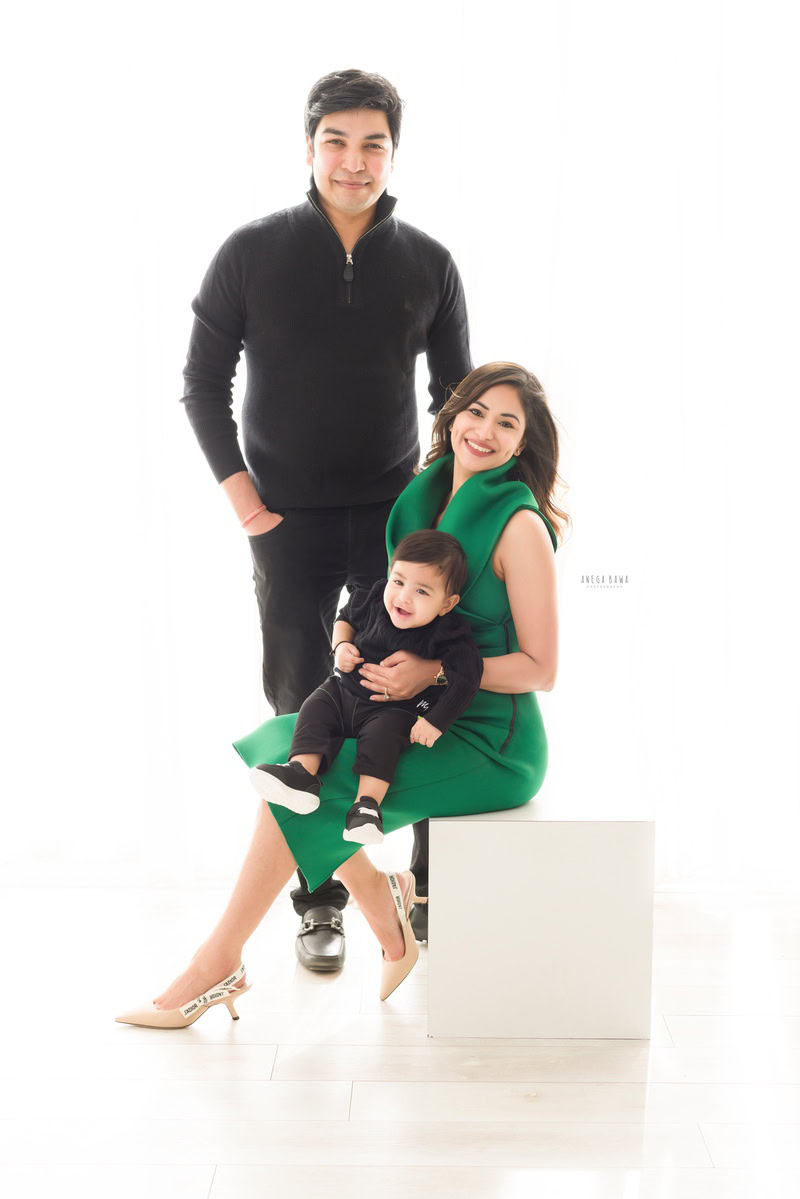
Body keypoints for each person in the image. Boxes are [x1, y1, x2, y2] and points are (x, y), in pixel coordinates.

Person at [115, 362, 567, 1029]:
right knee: (284, 750)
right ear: (453, 413)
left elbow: (541, 668)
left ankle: (219, 961)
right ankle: (381, 910)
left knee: (309, 786)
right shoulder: (421, 495)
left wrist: (432, 675)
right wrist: (349, 641)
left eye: (507, 424)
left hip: (485, 738)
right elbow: (384, 600)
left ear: (524, 444)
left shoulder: (519, 527)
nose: (485, 431)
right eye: (476, 412)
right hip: (395, 706)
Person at [180, 68, 472, 969]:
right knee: (303, 707)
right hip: (287, 522)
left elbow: (455, 402)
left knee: (421, 690)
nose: (354, 161)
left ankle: (433, 891)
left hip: (396, 522)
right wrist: (246, 503)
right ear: (309, 149)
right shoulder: (251, 251)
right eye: (337, 141)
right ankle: (322, 902)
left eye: (373, 144)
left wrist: (438, 517)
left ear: (393, 152)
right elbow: (202, 385)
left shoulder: (428, 261)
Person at [249, 530, 484, 846]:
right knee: (314, 707)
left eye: (422, 591)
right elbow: (344, 618)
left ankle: (366, 807)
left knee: (383, 742)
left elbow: (466, 678)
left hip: (392, 709)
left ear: (447, 603)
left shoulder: (448, 632)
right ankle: (301, 774)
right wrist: (342, 644)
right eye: (398, 581)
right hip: (343, 692)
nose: (402, 597)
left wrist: (435, 721)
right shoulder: (374, 597)